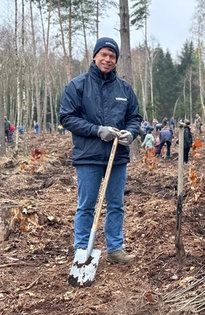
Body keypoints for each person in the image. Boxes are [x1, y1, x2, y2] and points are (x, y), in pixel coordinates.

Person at [59, 37, 142, 264]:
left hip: (117, 157)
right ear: (95, 56)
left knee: (116, 204)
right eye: (104, 54)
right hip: (88, 156)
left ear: (116, 60)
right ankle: (82, 250)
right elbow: (66, 117)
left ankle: (115, 249)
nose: (108, 59)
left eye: (112, 56)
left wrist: (131, 133)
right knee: (86, 205)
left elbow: (134, 117)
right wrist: (97, 130)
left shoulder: (124, 88)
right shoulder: (78, 85)